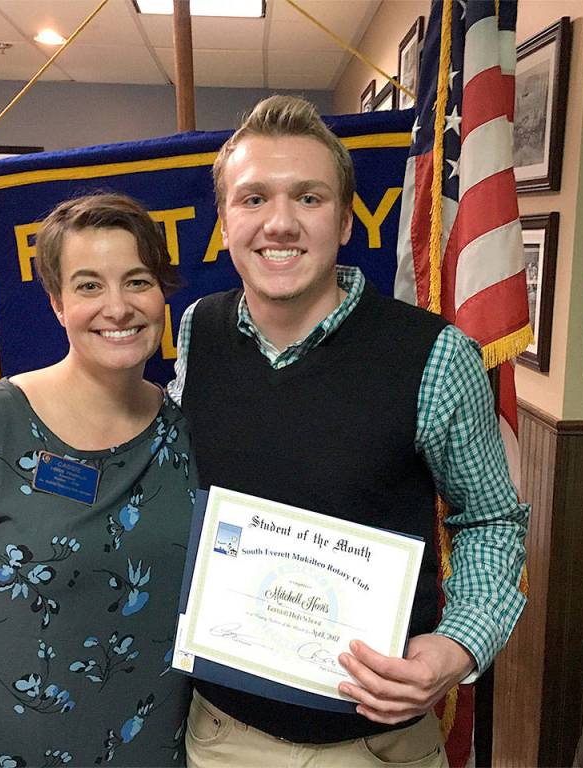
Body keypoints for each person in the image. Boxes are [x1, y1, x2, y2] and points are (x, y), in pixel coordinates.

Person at [168, 96, 529, 767]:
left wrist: (461, 644)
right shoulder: (200, 329)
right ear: (225, 220)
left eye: (308, 197)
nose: (280, 223)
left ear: (343, 218)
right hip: (220, 735)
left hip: (377, 746)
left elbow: (492, 519)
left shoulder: (435, 354)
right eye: (253, 199)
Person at [0, 194, 197, 766]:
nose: (118, 306)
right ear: (56, 302)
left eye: (137, 281)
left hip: (158, 743)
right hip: (16, 747)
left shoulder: (187, 435)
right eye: (88, 285)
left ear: (162, 293)